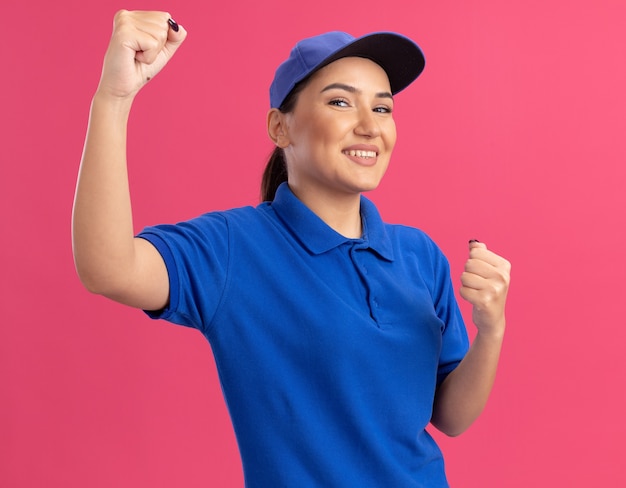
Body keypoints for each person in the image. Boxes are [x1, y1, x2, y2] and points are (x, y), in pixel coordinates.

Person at [72, 10, 511, 488]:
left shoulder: (420, 255)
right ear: (280, 128)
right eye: (341, 103)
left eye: (382, 108)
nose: (369, 126)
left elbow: (450, 417)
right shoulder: (234, 249)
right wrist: (113, 99)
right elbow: (109, 268)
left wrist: (490, 330)